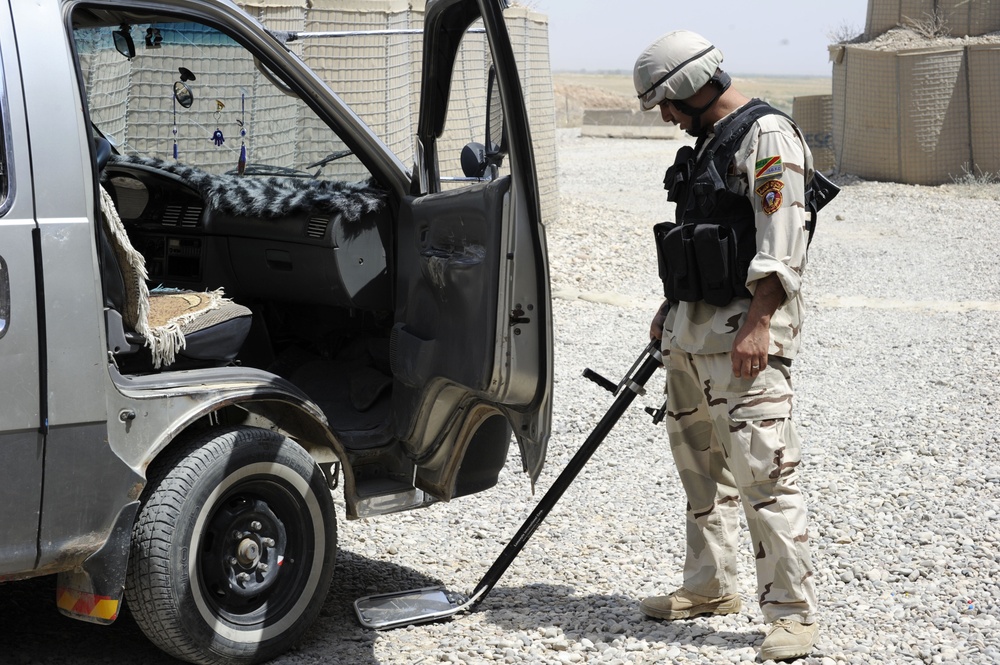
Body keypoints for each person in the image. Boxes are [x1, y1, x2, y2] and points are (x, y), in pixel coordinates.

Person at [633, 30, 819, 662]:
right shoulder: (710, 142)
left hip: (742, 337)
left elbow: (783, 239)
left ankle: (791, 615)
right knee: (701, 475)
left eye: (664, 100)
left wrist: (760, 323)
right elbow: (697, 239)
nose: (663, 115)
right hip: (692, 335)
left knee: (765, 473)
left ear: (690, 85)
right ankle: (710, 585)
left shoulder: (766, 137)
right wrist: (668, 309)